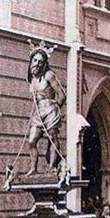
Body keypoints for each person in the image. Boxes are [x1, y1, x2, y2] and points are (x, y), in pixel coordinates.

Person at [25, 41, 66, 175]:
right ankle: (33, 169)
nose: (37, 63)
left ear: (44, 64)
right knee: (31, 141)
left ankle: (51, 168)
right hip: (38, 113)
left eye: (40, 61)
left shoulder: (49, 75)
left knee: (53, 139)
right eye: (35, 60)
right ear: (31, 61)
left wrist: (55, 110)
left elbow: (61, 95)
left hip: (50, 109)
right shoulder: (33, 79)